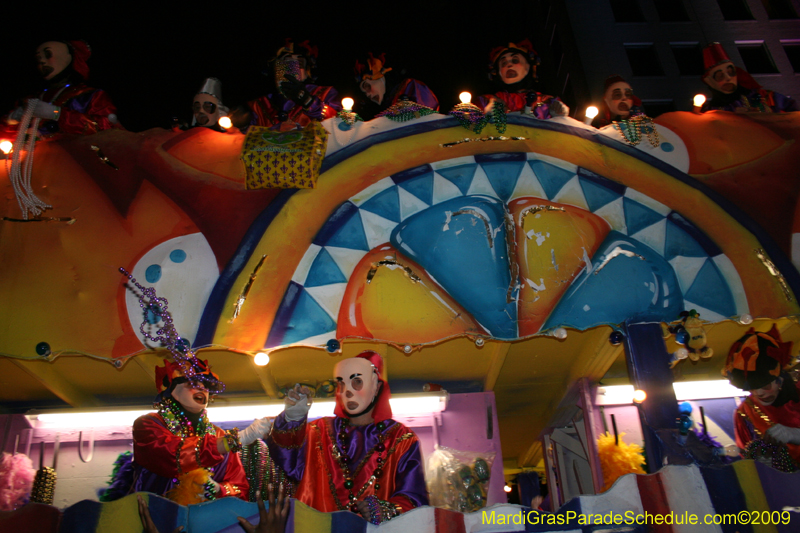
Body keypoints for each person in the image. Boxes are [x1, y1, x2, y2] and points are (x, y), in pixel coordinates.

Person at [266, 351, 428, 524]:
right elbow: (287, 461)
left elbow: (414, 499)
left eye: (357, 382)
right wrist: (292, 419)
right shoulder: (318, 432)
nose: (348, 392)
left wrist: (384, 511)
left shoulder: (400, 439)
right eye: (341, 384)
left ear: (377, 386)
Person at [130, 359, 270, 503]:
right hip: (156, 518)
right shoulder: (149, 424)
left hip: (207, 521)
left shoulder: (218, 434)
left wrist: (218, 490)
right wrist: (233, 440)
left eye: (206, 385)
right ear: (171, 389)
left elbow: (239, 489)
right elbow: (173, 455)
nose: (202, 388)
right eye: (192, 384)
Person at [1, 40, 119, 139]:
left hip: (74, 162)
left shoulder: (91, 96)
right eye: (38, 59)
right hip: (30, 162)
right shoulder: (30, 100)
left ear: (68, 58)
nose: (42, 62)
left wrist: (56, 113)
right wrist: (11, 122)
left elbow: (108, 128)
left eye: (48, 55)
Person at [724, 325, 800, 470]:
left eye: (765, 386)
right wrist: (761, 464)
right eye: (752, 388)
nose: (760, 393)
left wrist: (796, 434)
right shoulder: (745, 413)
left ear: (780, 379)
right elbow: (746, 463)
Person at [231, 39, 340, 131]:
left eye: (300, 63)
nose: (294, 67)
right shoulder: (259, 105)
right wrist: (241, 123)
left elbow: (343, 123)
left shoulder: (325, 93)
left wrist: (309, 102)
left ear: (308, 69)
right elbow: (246, 138)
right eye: (287, 63)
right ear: (275, 69)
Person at [477, 39, 569, 119]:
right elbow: (468, 122)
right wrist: (486, 115)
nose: (509, 65)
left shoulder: (546, 102)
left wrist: (559, 115)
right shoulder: (486, 101)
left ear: (529, 66)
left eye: (515, 60)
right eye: (503, 63)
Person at [700, 42, 797, 113]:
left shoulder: (765, 97)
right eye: (720, 76)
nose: (728, 78)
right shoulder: (710, 113)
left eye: (731, 72)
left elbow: (793, 115)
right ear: (709, 81)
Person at [354, 53, 439, 119]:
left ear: (381, 79)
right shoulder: (386, 104)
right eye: (364, 93)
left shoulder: (412, 87)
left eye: (368, 87)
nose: (368, 94)